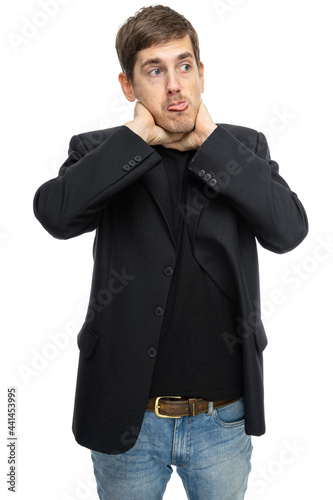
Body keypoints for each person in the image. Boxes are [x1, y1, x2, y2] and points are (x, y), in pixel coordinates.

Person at [33, 5, 308, 500]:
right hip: (126, 418)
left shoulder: (243, 147)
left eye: (184, 66)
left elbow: (288, 232)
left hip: (222, 418)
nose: (175, 85)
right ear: (128, 86)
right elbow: (55, 215)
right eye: (154, 71)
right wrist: (136, 138)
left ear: (202, 74)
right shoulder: (102, 151)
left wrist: (212, 143)